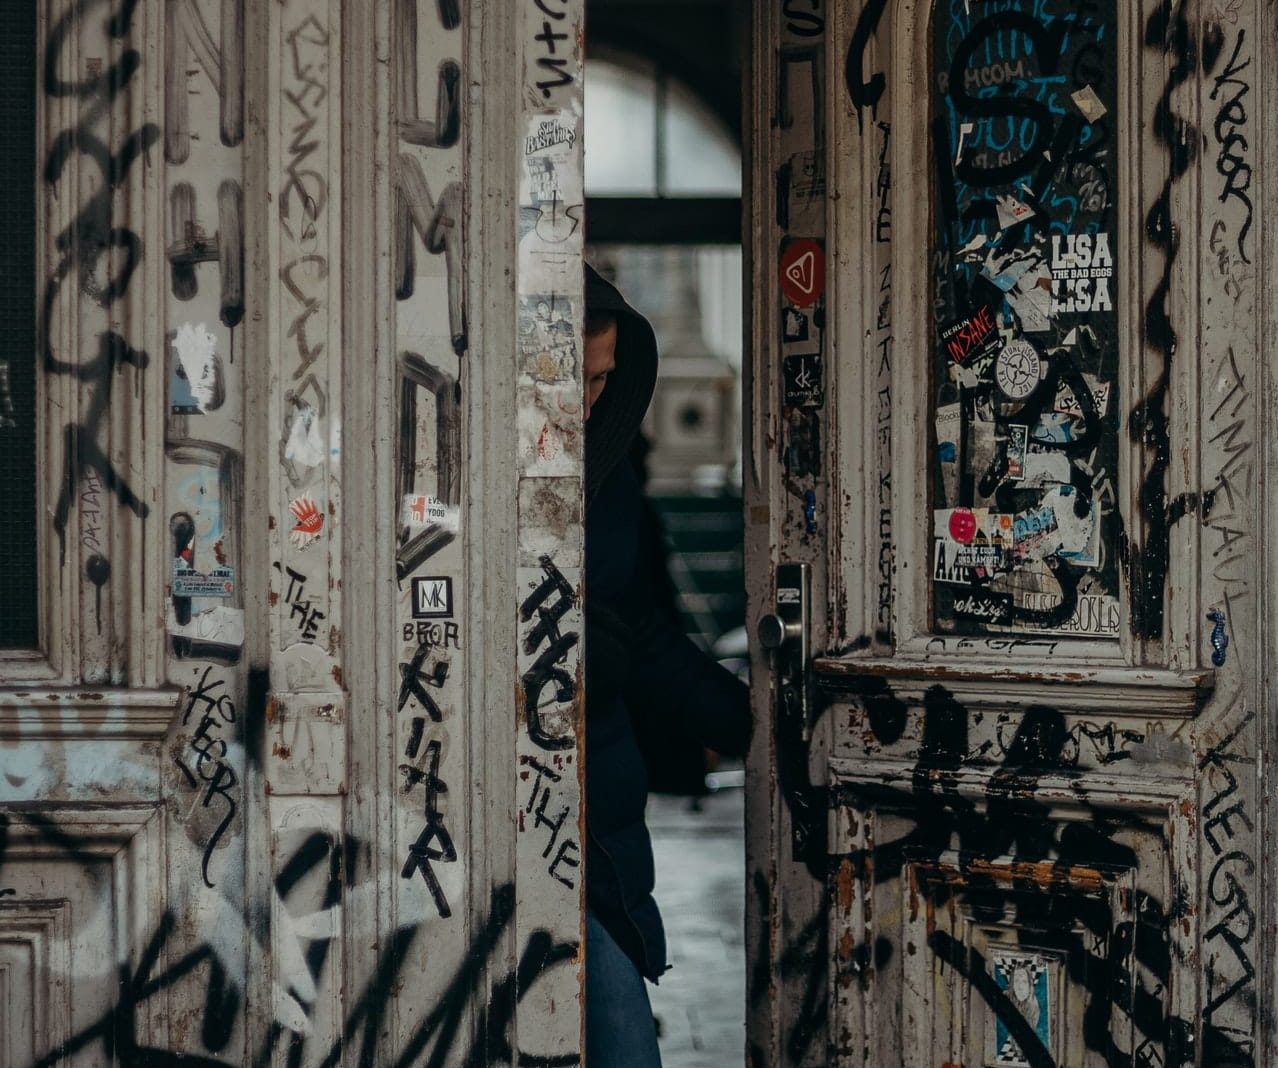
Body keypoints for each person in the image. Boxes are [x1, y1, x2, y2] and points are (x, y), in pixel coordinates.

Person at [581, 264, 752, 1068]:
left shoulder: (609, 483)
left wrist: (759, 724)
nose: (589, 400)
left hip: (597, 841)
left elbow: (643, 634)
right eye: (574, 379)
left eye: (605, 380)